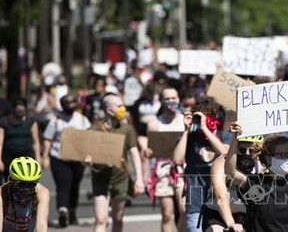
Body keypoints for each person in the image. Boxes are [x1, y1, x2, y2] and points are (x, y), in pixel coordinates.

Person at [87, 93, 144, 232]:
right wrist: (87, 161)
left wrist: (140, 179)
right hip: (100, 177)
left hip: (120, 179)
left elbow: (134, 153)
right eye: (119, 106)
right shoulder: (94, 129)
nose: (123, 109)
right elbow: (86, 154)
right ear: (108, 110)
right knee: (101, 219)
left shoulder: (127, 129)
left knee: (118, 219)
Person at [173, 96, 228, 232]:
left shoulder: (224, 136)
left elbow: (225, 154)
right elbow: (177, 159)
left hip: (220, 206)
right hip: (195, 204)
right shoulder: (191, 137)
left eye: (209, 117)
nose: (205, 120)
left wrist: (206, 129)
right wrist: (186, 131)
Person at [42, 93, 91, 227]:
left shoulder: (82, 120)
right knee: (64, 184)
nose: (70, 106)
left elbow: (89, 139)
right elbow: (47, 139)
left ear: (76, 104)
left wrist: (88, 155)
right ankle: (63, 210)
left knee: (75, 186)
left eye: (72, 103)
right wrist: (44, 156)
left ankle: (72, 212)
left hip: (78, 159)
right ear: (63, 106)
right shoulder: (56, 120)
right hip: (59, 157)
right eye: (67, 104)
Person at [201, 135, 263, 232]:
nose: (247, 154)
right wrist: (231, 224)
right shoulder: (222, 162)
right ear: (235, 149)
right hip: (217, 213)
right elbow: (221, 197)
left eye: (251, 151)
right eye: (242, 150)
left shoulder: (260, 165)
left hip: (245, 215)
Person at [145, 87, 185, 232]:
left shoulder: (185, 120)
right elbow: (150, 152)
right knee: (167, 214)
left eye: (173, 98)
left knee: (184, 210)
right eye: (167, 98)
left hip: (182, 169)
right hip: (162, 170)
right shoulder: (154, 124)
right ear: (161, 101)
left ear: (179, 99)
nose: (171, 101)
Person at [0, 156, 50, 232]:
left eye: (31, 184)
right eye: (22, 184)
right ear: (11, 180)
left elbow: (42, 225)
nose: (26, 189)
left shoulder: (42, 193)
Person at [0, 98, 41, 179]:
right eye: (18, 111)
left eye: (22, 111)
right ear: (13, 109)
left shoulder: (31, 121)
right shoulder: (4, 122)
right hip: (9, 158)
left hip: (28, 158)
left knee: (28, 180)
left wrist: (38, 158)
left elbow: (35, 142)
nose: (20, 113)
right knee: (11, 183)